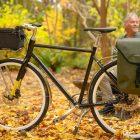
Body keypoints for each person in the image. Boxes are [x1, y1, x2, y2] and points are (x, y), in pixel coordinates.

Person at [99, 12, 140, 115]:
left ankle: (131, 103)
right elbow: (114, 59)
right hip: (122, 71)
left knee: (133, 76)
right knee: (102, 77)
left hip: (137, 73)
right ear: (126, 24)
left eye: (137, 22)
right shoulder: (120, 40)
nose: (135, 24)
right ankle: (109, 105)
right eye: (132, 22)